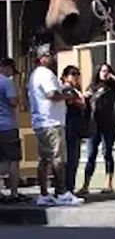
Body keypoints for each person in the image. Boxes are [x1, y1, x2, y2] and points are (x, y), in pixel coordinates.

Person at [27, 41, 83, 206]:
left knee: (44, 159)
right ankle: (62, 193)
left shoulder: (35, 74)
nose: (53, 57)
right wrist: (68, 97)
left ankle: (44, 194)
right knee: (58, 158)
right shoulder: (45, 74)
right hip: (51, 122)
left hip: (42, 122)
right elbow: (52, 94)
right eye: (50, 54)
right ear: (42, 58)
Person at [79, 62, 115, 195]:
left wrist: (114, 77)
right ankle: (85, 185)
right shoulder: (92, 87)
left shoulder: (112, 87)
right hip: (93, 125)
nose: (105, 73)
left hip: (108, 124)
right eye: (103, 71)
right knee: (91, 155)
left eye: (107, 71)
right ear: (98, 72)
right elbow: (84, 104)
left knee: (107, 152)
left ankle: (109, 184)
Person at [0, 57, 27, 204]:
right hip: (7, 125)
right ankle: (14, 193)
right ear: (6, 67)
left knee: (1, 160)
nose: (11, 74)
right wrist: (18, 99)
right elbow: (12, 102)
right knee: (13, 160)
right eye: (11, 70)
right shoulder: (6, 82)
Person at [60, 66, 88, 194]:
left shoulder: (75, 90)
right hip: (69, 127)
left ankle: (69, 187)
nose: (76, 77)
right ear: (65, 76)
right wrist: (81, 98)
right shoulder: (66, 89)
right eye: (73, 74)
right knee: (71, 159)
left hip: (76, 128)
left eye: (77, 74)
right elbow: (75, 102)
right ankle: (67, 188)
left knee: (74, 159)